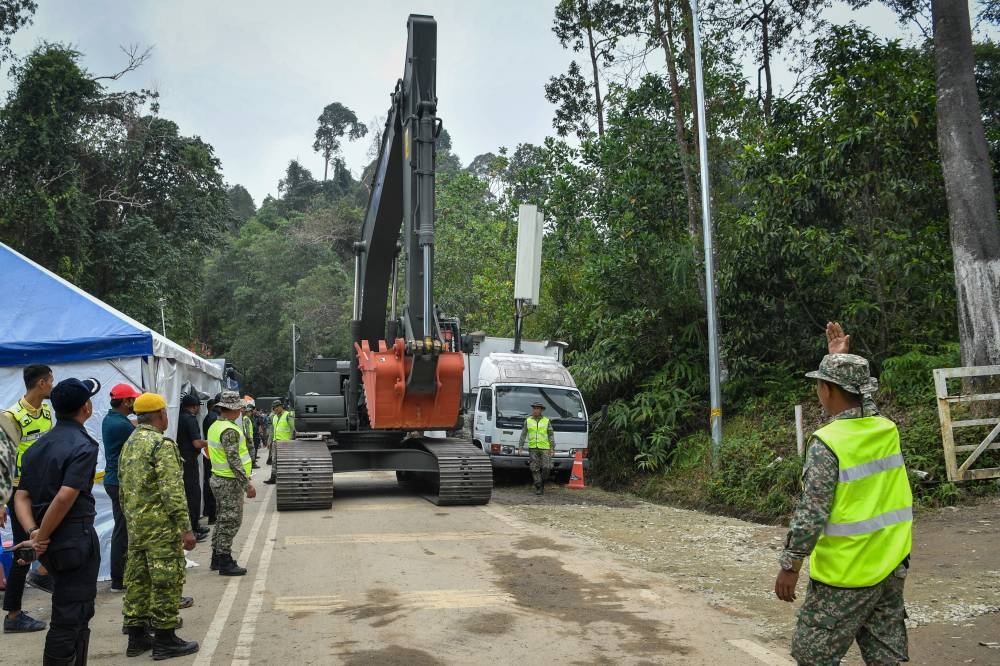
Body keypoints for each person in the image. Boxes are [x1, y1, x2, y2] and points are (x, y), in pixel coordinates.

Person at [775, 325, 912, 666]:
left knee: (813, 656)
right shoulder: (885, 428)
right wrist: (839, 361)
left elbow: (812, 512)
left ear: (827, 389)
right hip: (890, 567)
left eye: (820, 385)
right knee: (886, 658)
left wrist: (790, 565)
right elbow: (864, 402)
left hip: (846, 575)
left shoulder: (828, 442)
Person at [12, 377, 103, 665]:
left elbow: (21, 496)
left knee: (76, 610)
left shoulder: (38, 446)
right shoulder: (83, 445)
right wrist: (39, 537)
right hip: (73, 539)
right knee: (70, 615)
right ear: (86, 407)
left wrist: (35, 531)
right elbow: (65, 497)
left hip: (51, 541)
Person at [118, 393, 199, 660]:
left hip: (137, 526)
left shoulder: (130, 443)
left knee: (138, 581)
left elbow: (123, 489)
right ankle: (165, 639)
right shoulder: (161, 445)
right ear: (161, 415)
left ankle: (136, 637)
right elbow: (172, 491)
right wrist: (186, 528)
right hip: (161, 528)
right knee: (166, 581)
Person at [2, 363, 55, 632]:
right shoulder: (11, 416)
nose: (53, 385)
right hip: (19, 492)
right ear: (42, 383)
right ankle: (13, 616)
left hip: (43, 487)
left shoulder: (46, 410)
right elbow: (3, 459)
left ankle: (45, 574)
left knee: (50, 535)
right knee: (25, 551)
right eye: (51, 381)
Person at [206, 391, 256, 575]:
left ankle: (217, 557)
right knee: (231, 521)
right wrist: (247, 485)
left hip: (218, 478)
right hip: (229, 481)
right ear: (232, 409)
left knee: (222, 520)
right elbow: (234, 460)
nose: (241, 410)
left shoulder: (215, 426)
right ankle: (225, 561)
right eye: (239, 408)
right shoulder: (229, 430)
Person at [100, 383, 141, 592]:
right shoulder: (122, 425)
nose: (135, 403)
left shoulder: (112, 419)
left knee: (122, 528)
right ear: (126, 402)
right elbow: (138, 433)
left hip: (114, 480)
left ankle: (122, 575)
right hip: (120, 482)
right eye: (133, 399)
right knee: (123, 530)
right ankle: (119, 579)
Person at [176, 394, 209, 543]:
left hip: (182, 459)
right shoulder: (190, 419)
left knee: (189, 494)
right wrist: (210, 442)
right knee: (193, 494)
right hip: (189, 460)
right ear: (194, 407)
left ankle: (194, 526)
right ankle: (194, 528)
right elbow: (196, 443)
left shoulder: (179, 417)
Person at [518, 401, 555, 495]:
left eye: (538, 408)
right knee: (534, 468)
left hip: (545, 447)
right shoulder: (528, 420)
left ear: (541, 410)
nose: (535, 410)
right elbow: (523, 434)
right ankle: (538, 486)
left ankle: (542, 482)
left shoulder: (546, 421)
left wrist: (552, 447)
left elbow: (551, 434)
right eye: (534, 408)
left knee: (547, 467)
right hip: (533, 447)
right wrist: (520, 447)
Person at [200, 396, 221, 526]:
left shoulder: (208, 417)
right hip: (213, 455)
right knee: (212, 485)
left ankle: (209, 511)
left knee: (208, 483)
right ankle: (213, 514)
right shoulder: (214, 418)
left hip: (209, 454)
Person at [264, 399, 294, 485]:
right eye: (274, 408)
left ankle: (287, 478)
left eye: (277, 407)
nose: (275, 409)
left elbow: (293, 429)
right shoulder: (274, 417)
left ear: (281, 406)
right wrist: (270, 441)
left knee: (285, 461)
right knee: (274, 461)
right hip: (275, 442)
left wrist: (292, 441)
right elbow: (272, 430)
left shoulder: (288, 415)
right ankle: (273, 478)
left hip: (285, 443)